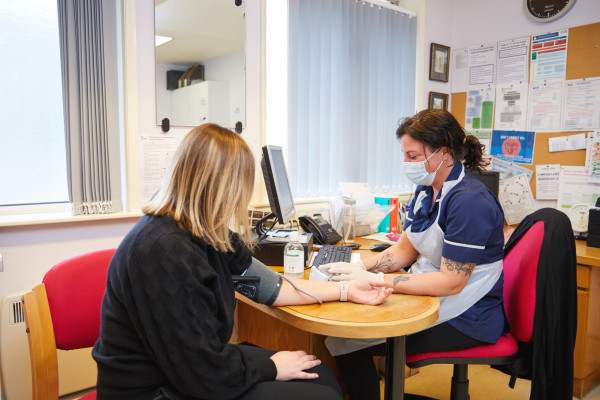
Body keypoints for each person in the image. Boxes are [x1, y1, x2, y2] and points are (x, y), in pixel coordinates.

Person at [92, 123, 392, 400]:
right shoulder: (163, 252)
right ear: (224, 187)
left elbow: (272, 289)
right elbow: (202, 373)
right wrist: (272, 368)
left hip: (195, 365)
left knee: (320, 374)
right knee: (320, 395)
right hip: (155, 389)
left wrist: (347, 289)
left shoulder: (209, 233)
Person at [321, 109, 508, 400]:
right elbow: (404, 252)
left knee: (349, 338)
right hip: (433, 295)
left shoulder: (469, 202)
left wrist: (381, 281)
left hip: (469, 314)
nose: (405, 163)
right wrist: (355, 265)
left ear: (443, 154)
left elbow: (451, 283)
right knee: (348, 327)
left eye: (412, 156)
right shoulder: (427, 191)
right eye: (404, 155)